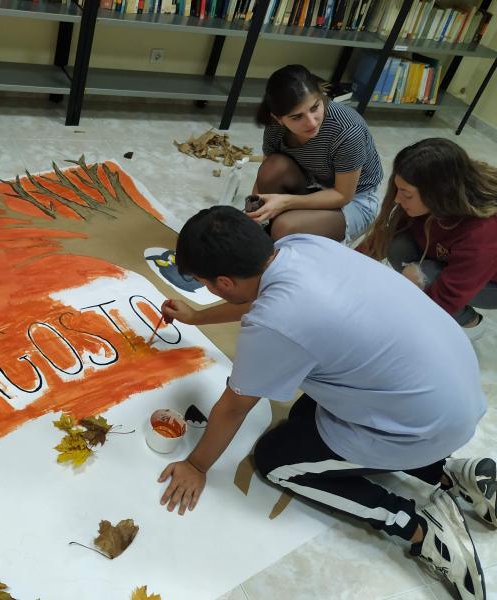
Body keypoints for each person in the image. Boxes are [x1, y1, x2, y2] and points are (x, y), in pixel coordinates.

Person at [157, 206, 492, 600]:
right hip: (452, 388)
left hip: (424, 425)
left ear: (223, 282)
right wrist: (198, 317)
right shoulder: (299, 246)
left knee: (278, 461)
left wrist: (197, 465)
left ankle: (418, 528)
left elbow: (234, 406)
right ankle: (453, 473)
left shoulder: (274, 322)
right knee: (303, 415)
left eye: (202, 283)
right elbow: (263, 296)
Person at [359, 138, 497, 341]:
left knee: (422, 276)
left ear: (439, 193)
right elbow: (382, 239)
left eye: (406, 194)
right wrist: (345, 265)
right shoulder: (437, 196)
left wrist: (388, 326)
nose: (397, 199)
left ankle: (468, 321)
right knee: (397, 244)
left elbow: (445, 299)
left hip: (490, 284)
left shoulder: (483, 231)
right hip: (451, 256)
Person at [249, 64, 383, 245]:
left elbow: (343, 195)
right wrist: (252, 213)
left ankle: (282, 236)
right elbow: (265, 173)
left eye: (315, 108)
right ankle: (275, 232)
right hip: (313, 183)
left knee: (284, 228)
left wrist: (285, 203)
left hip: (353, 199)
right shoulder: (275, 128)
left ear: (321, 96)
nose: (311, 122)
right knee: (272, 168)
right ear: (278, 118)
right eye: (297, 117)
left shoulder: (348, 130)